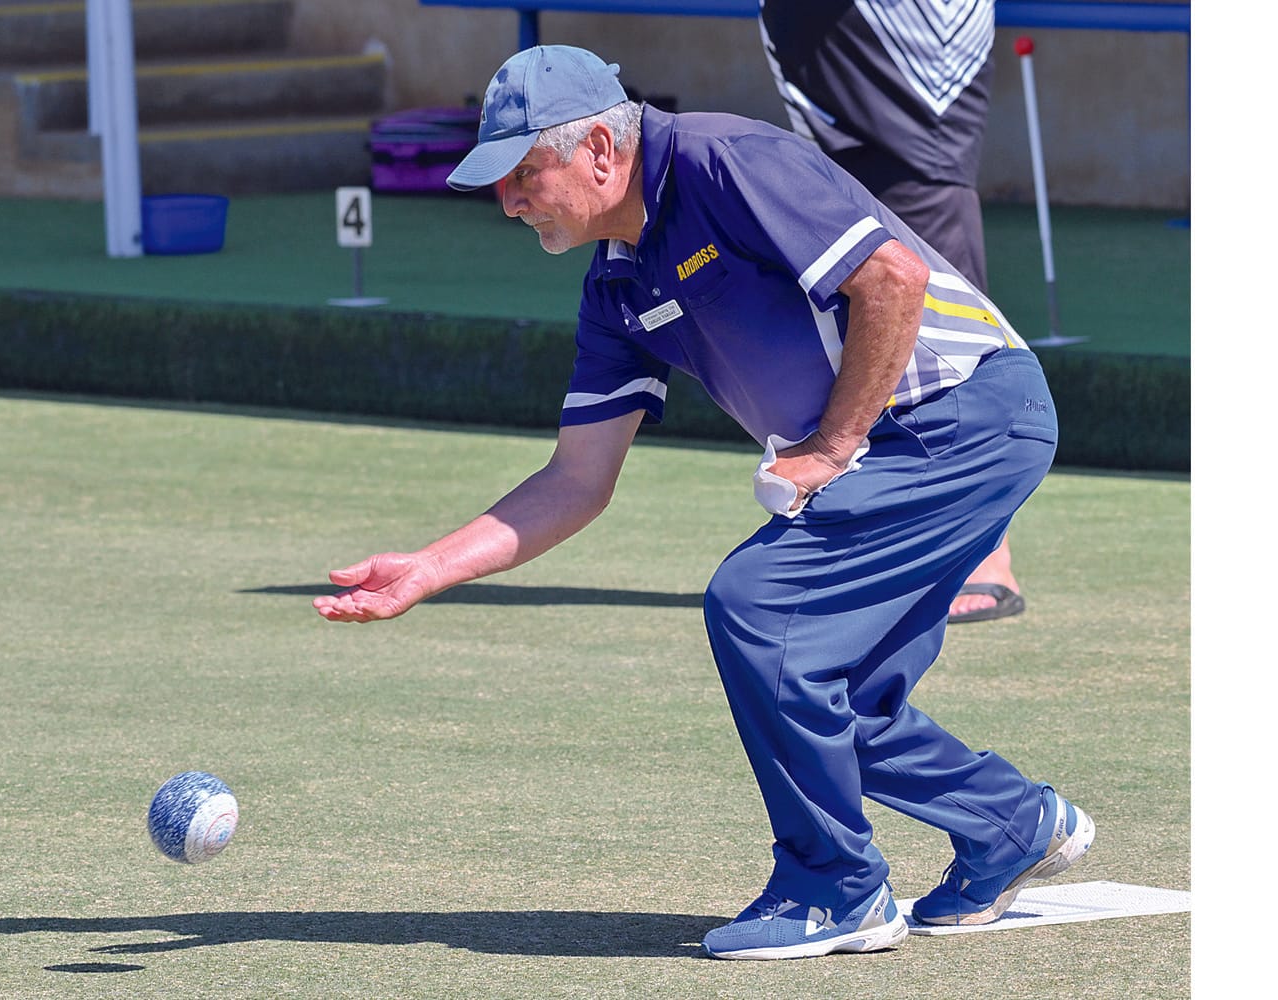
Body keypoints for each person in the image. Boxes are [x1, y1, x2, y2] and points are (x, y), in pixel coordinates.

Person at [313, 45, 1094, 961]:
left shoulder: (727, 161)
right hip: (910, 442)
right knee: (835, 697)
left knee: (759, 608)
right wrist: (428, 567)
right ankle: (1011, 825)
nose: (510, 201)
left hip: (961, 415)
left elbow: (894, 280)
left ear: (601, 149)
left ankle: (833, 888)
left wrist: (833, 446)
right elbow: (576, 480)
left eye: (527, 173)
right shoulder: (615, 282)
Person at [758, 0, 1024, 624]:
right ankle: (878, 546)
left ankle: (986, 554)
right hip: (832, 62)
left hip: (904, 53)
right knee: (849, 263)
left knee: (927, 246)